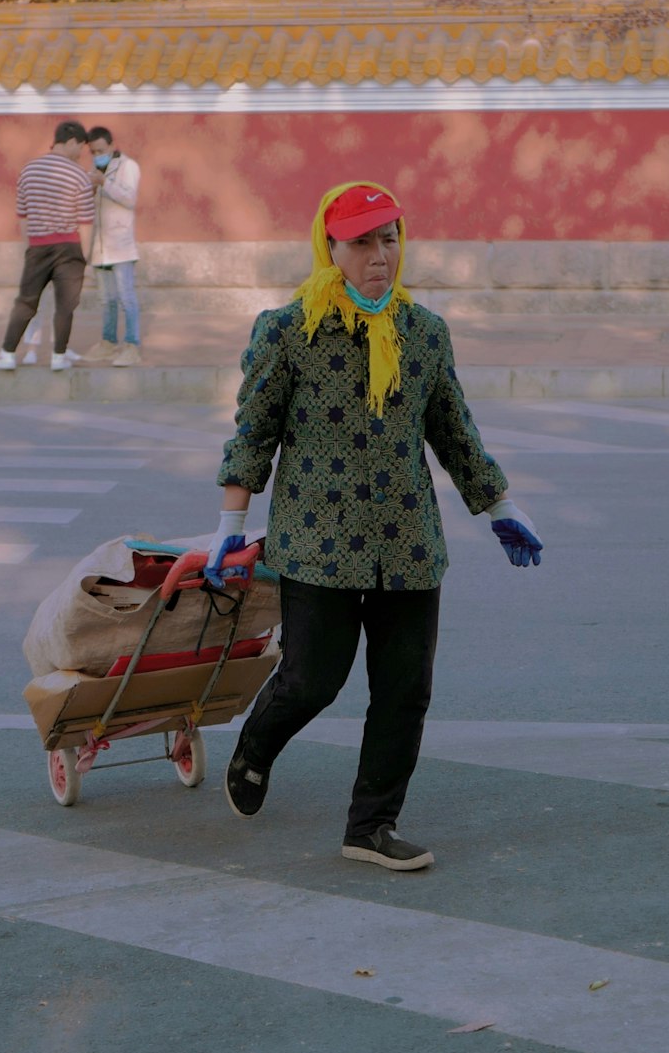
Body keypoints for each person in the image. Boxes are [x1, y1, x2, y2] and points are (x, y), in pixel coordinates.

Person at [207, 180, 542, 873]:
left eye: (389, 238)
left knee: (405, 689)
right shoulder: (289, 330)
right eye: (362, 241)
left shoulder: (423, 334)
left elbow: (454, 431)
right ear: (330, 247)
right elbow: (254, 432)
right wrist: (229, 522)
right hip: (318, 543)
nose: (380, 255)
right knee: (312, 679)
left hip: (408, 544)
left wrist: (501, 506)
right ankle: (257, 746)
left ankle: (372, 823)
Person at [0, 120, 94, 372]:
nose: (81, 153)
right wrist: (84, 255)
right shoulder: (79, 174)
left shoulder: (29, 170)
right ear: (70, 142)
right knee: (65, 305)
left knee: (26, 302)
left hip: (38, 248)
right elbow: (86, 221)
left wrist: (30, 247)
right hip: (69, 247)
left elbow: (22, 215)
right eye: (80, 147)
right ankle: (59, 356)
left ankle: (8, 353)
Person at [82, 125, 143, 367]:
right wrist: (92, 187)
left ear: (111, 145)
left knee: (126, 297)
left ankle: (132, 345)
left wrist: (104, 183)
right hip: (100, 245)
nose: (98, 155)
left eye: (101, 150)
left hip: (121, 245)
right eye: (94, 151)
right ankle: (108, 343)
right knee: (106, 299)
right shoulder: (95, 169)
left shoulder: (128, 166)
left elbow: (129, 199)